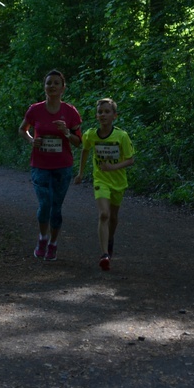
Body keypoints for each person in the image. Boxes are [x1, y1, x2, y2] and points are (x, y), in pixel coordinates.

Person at [18, 69, 82, 261]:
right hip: (40, 164)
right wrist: (31, 141)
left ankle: (53, 243)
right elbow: (22, 130)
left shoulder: (70, 112)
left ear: (63, 88)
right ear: (44, 87)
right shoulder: (35, 110)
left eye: (56, 83)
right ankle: (42, 238)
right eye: (48, 83)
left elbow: (79, 142)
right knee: (44, 203)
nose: (52, 86)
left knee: (56, 206)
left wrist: (67, 133)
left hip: (62, 166)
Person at [75, 98, 135, 271]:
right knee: (103, 214)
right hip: (100, 180)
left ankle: (109, 240)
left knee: (113, 218)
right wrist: (80, 173)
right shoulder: (91, 134)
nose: (103, 115)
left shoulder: (121, 136)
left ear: (114, 116)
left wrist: (112, 167)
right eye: (100, 112)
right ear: (96, 115)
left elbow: (130, 160)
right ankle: (104, 254)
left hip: (118, 182)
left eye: (107, 112)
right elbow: (85, 150)